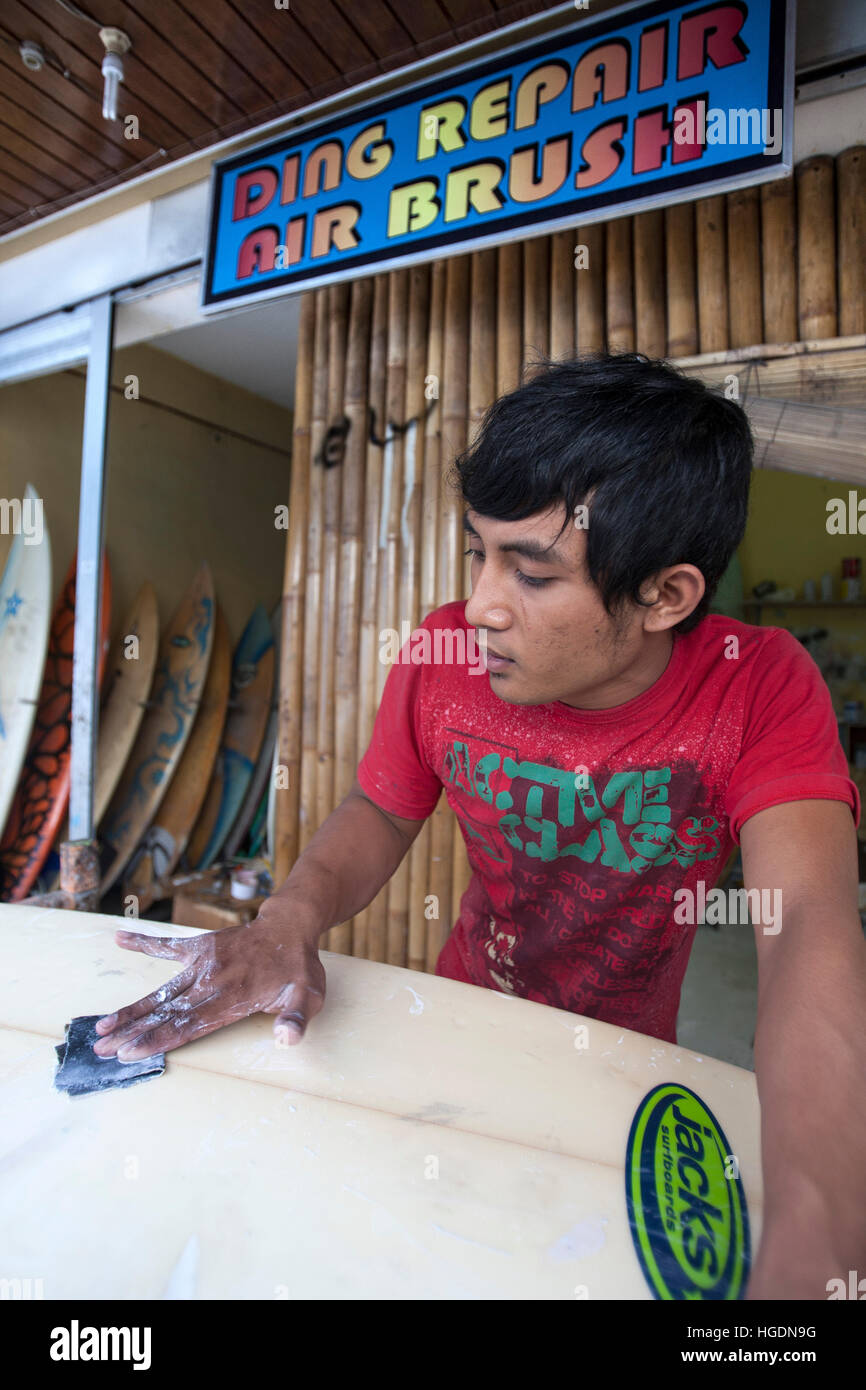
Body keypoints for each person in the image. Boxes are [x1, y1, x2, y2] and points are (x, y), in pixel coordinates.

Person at [94, 354, 865, 1299]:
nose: (482, 605)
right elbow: (381, 806)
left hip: (626, 1060)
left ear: (667, 596)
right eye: (477, 551)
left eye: (533, 575)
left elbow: (808, 930)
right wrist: (285, 922)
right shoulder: (445, 653)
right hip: (467, 1013)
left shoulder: (758, 684)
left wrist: (819, 1233)